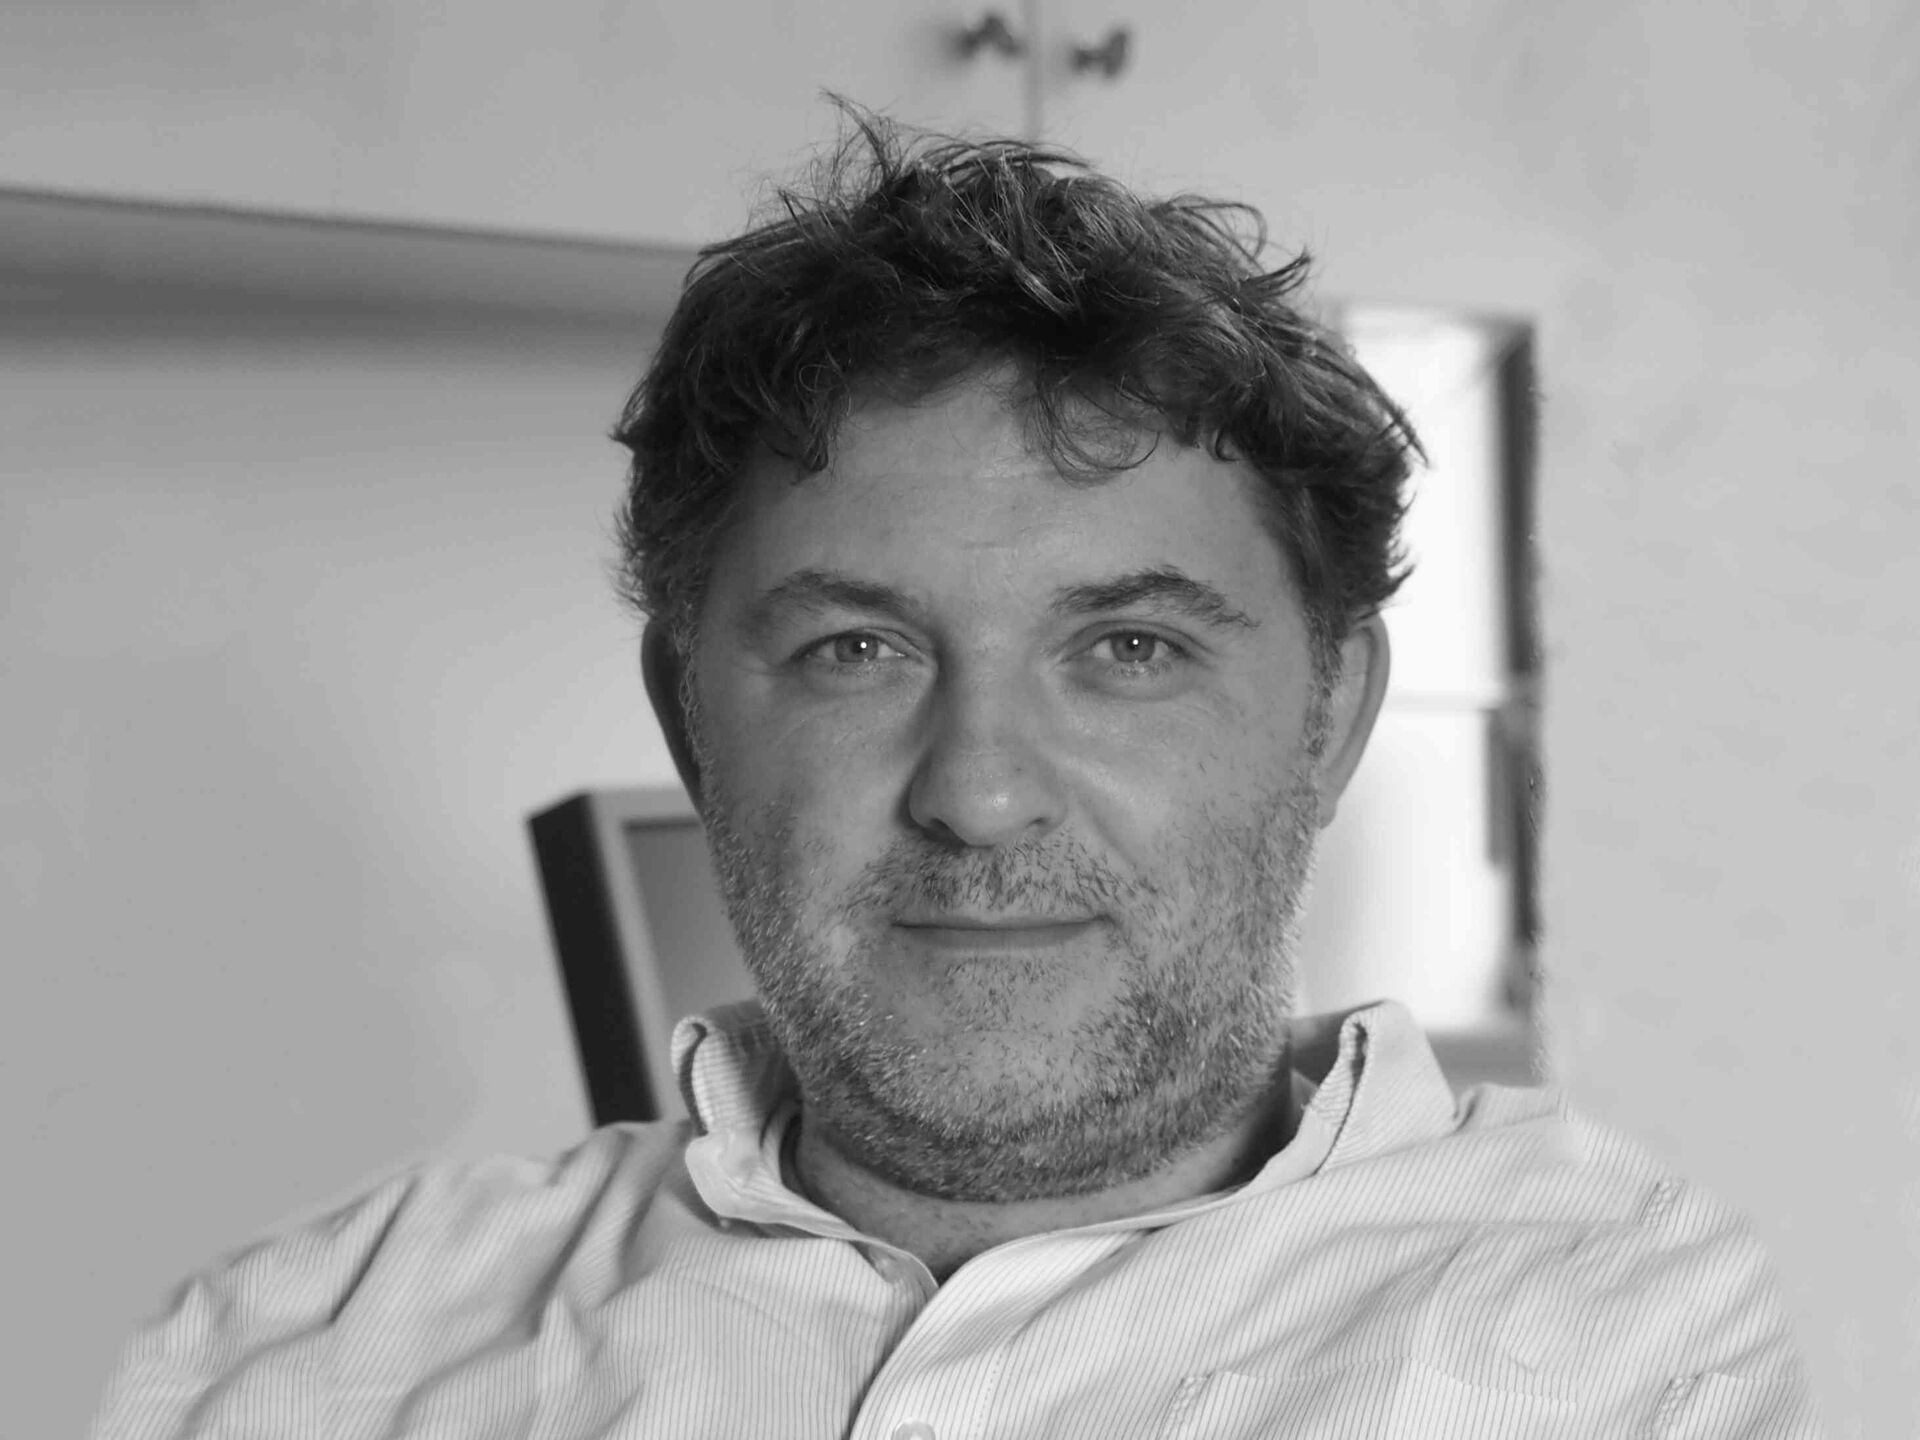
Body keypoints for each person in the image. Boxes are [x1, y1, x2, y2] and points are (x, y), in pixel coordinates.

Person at [91, 114, 1821, 1439]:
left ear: (1333, 714)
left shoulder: (1669, 1353)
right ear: (688, 717)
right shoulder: (292, 1349)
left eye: (1128, 647)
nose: (979, 796)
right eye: (858, 649)